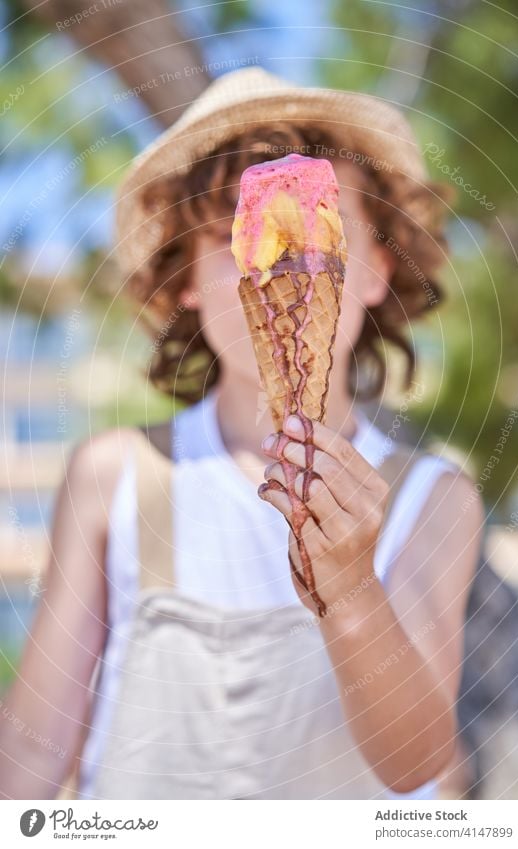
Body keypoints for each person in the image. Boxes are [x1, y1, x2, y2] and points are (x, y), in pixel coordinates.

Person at [0, 68, 484, 800]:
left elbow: (416, 760)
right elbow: (32, 749)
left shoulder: (432, 496)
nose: (278, 267)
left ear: (376, 271)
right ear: (187, 281)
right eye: (238, 240)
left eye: (319, 236)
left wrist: (351, 588)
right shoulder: (117, 475)